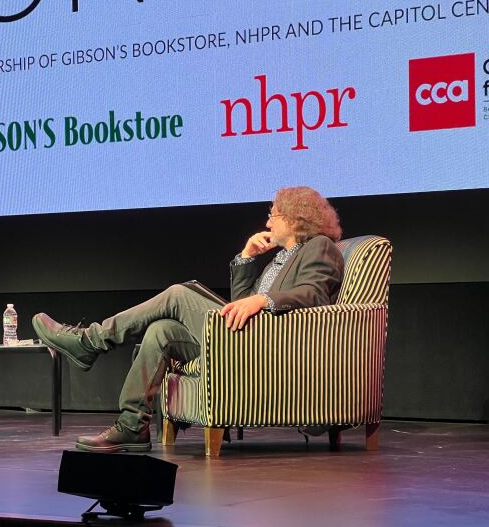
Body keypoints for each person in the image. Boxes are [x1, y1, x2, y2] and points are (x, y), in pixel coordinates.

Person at [32, 186, 344, 453]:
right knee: (161, 330)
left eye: (272, 214)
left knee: (179, 294)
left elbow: (314, 293)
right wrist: (246, 257)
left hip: (272, 345)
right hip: (247, 337)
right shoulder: (280, 256)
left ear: (293, 218)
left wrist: (264, 298)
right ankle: (132, 425)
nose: (267, 221)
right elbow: (239, 303)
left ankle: (91, 341)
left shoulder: (320, 247)